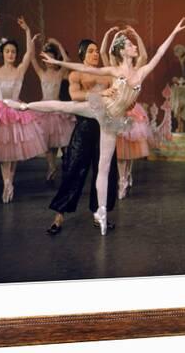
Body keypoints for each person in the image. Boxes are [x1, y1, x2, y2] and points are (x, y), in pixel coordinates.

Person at [6, 18, 185, 235]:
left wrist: (174, 31)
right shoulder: (113, 70)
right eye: (129, 45)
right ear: (122, 51)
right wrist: (62, 64)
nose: (134, 47)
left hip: (113, 121)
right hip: (100, 109)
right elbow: (80, 67)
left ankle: (101, 212)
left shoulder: (141, 72)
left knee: (104, 168)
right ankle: (25, 106)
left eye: (132, 45)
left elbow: (158, 53)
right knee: (64, 106)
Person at [43, 39, 119, 235]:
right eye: (91, 51)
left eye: (96, 51)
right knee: (73, 169)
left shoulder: (107, 74)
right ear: (83, 54)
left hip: (105, 127)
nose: (95, 54)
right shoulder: (76, 73)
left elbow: (117, 96)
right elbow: (75, 95)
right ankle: (59, 216)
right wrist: (101, 93)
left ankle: (98, 214)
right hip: (84, 127)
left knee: (105, 173)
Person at [0, 16, 46, 203]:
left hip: (15, 111)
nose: (11, 54)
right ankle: (7, 183)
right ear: (2, 53)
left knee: (13, 153)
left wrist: (27, 31)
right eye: (7, 51)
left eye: (13, 52)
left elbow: (29, 53)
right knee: (4, 154)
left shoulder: (20, 70)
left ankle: (9, 182)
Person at [100, 26, 154, 199]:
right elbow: (104, 52)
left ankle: (126, 176)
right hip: (116, 111)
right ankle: (121, 179)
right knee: (120, 151)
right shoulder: (113, 69)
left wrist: (137, 35)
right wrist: (111, 34)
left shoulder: (134, 68)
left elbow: (144, 56)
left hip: (131, 111)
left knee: (129, 148)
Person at [30, 38, 76, 181]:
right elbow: (31, 58)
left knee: (62, 140)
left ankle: (66, 165)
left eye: (51, 57)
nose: (48, 60)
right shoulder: (41, 73)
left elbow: (67, 60)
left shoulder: (59, 73)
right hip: (45, 110)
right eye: (46, 57)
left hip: (57, 109)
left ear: (56, 59)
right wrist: (31, 42)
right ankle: (51, 166)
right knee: (48, 142)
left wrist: (58, 44)